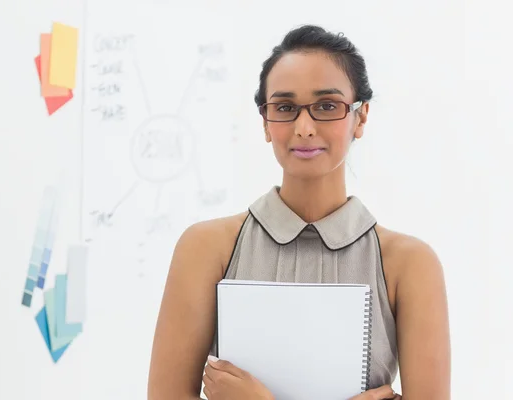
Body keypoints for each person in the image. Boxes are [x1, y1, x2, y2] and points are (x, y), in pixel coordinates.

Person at [147, 24, 451, 400]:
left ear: (361, 116)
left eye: (327, 106)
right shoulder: (206, 248)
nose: (304, 128)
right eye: (286, 108)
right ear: (265, 121)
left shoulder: (410, 264)